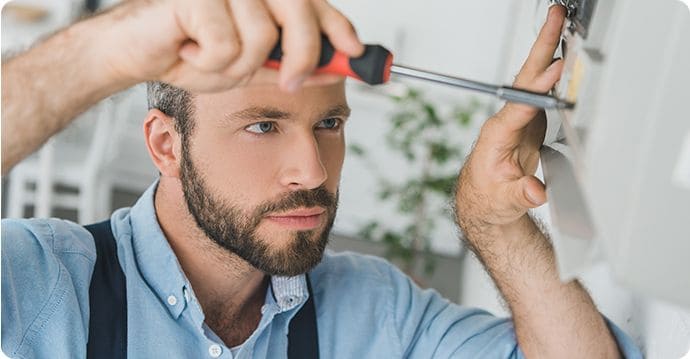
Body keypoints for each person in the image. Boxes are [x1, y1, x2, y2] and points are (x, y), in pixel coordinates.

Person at [1, 1, 640, 358]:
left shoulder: (374, 311)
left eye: (329, 122)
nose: (313, 171)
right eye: (262, 126)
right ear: (167, 145)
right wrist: (100, 53)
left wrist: (493, 223)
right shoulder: (42, 284)